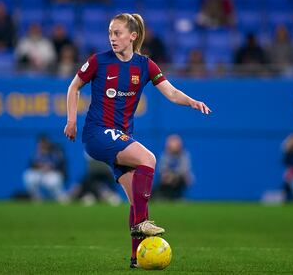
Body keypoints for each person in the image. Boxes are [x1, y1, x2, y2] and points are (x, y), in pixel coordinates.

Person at [63, 13, 212, 268]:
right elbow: (73, 87)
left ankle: (136, 258)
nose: (112, 38)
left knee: (137, 201)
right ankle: (142, 225)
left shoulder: (145, 65)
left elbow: (172, 92)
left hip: (121, 137)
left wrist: (192, 102)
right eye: (110, 33)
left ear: (132, 36)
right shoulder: (98, 61)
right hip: (98, 133)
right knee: (149, 159)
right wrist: (71, 121)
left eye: (117, 33)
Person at [23, 135, 67, 203]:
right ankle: (37, 197)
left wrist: (49, 167)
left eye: (44, 143)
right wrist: (40, 166)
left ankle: (60, 197)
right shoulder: (37, 153)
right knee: (28, 175)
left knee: (53, 182)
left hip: (52, 174)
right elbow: (31, 165)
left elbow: (59, 164)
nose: (42, 144)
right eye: (41, 143)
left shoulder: (55, 151)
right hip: (40, 174)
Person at [155, 134, 192, 200]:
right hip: (166, 178)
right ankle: (164, 197)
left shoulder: (184, 154)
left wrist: (174, 176)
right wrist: (167, 175)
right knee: (163, 180)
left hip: (180, 179)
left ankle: (178, 197)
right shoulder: (165, 155)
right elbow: (161, 169)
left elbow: (184, 169)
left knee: (182, 179)